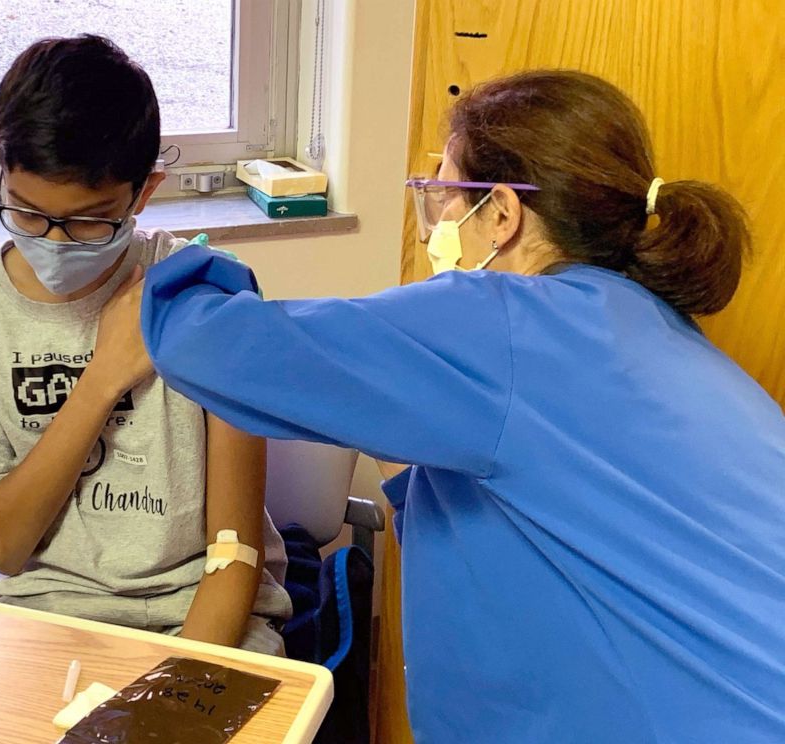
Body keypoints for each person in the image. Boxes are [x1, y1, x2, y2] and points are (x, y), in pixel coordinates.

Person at [102, 70, 785, 741]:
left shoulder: (501, 320)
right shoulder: (654, 329)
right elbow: (536, 528)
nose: (435, 222)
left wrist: (177, 271)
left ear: (502, 213)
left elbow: (219, 349)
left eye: (444, 194)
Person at [0, 35, 291, 655]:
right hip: (34, 614)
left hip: (201, 615)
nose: (54, 241)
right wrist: (102, 378)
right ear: (2, 172)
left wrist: (175, 690)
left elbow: (235, 553)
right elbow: (2, 548)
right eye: (26, 212)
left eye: (90, 219)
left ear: (144, 192)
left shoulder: (204, 289)